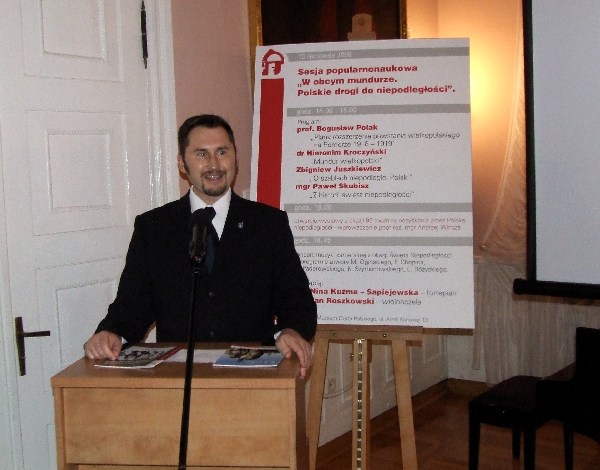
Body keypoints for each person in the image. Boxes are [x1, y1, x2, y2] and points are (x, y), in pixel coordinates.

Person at [84, 114, 317, 377]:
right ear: (182, 163)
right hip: (177, 379)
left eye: (222, 152)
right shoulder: (154, 227)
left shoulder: (268, 224)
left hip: (253, 377)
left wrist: (292, 331)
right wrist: (110, 332)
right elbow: (133, 303)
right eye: (201, 154)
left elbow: (296, 300)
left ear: (235, 158)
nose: (214, 165)